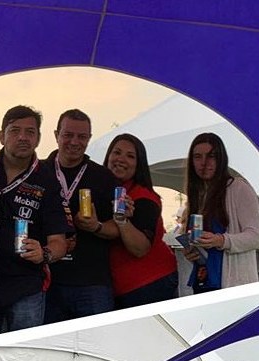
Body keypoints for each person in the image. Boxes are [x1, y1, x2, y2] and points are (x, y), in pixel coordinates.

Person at [0, 105, 70, 334]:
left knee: (23, 349)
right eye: (15, 131)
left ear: (38, 138)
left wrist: (44, 253)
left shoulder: (48, 179)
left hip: (25, 285)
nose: (23, 137)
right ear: (1, 136)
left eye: (30, 132)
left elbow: (60, 241)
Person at [44, 109, 119, 323]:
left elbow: (119, 228)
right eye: (68, 135)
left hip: (91, 282)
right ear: (56, 135)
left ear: (89, 138)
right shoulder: (39, 172)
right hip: (47, 281)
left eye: (82, 136)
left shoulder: (104, 177)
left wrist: (96, 226)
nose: (75, 142)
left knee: (99, 339)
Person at [102, 134, 178, 308]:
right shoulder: (105, 190)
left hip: (149, 282)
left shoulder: (144, 198)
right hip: (119, 285)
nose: (121, 159)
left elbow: (140, 249)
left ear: (139, 164)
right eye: (117, 152)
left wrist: (121, 220)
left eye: (130, 156)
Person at [180, 133, 259, 293]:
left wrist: (221, 240)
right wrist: (192, 252)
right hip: (203, 281)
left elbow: (256, 236)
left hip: (233, 284)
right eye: (197, 157)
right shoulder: (199, 195)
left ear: (221, 159)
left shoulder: (238, 188)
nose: (204, 163)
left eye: (211, 156)